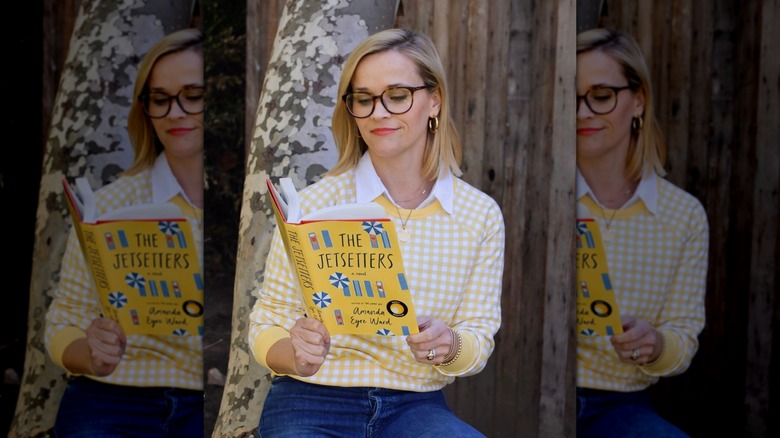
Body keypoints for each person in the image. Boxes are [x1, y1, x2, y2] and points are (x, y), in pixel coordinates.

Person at [248, 28, 505, 437]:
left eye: (397, 95)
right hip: (311, 399)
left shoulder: (479, 215)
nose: (379, 113)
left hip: (415, 404)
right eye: (364, 99)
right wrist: (295, 354)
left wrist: (449, 345)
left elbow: (478, 337)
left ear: (434, 100)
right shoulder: (314, 205)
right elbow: (266, 323)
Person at [45, 28, 204, 437]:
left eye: (194, 94)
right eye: (160, 99)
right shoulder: (112, 205)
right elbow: (63, 322)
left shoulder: (246, 209)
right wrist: (90, 353)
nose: (175, 112)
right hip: (112, 397)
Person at [575, 28, 709, 437]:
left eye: (601, 96)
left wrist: (656, 345)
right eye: (573, 97)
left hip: (620, 405)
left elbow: (683, 338)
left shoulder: (682, 215)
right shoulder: (536, 204)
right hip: (524, 394)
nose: (582, 113)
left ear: (638, 101)